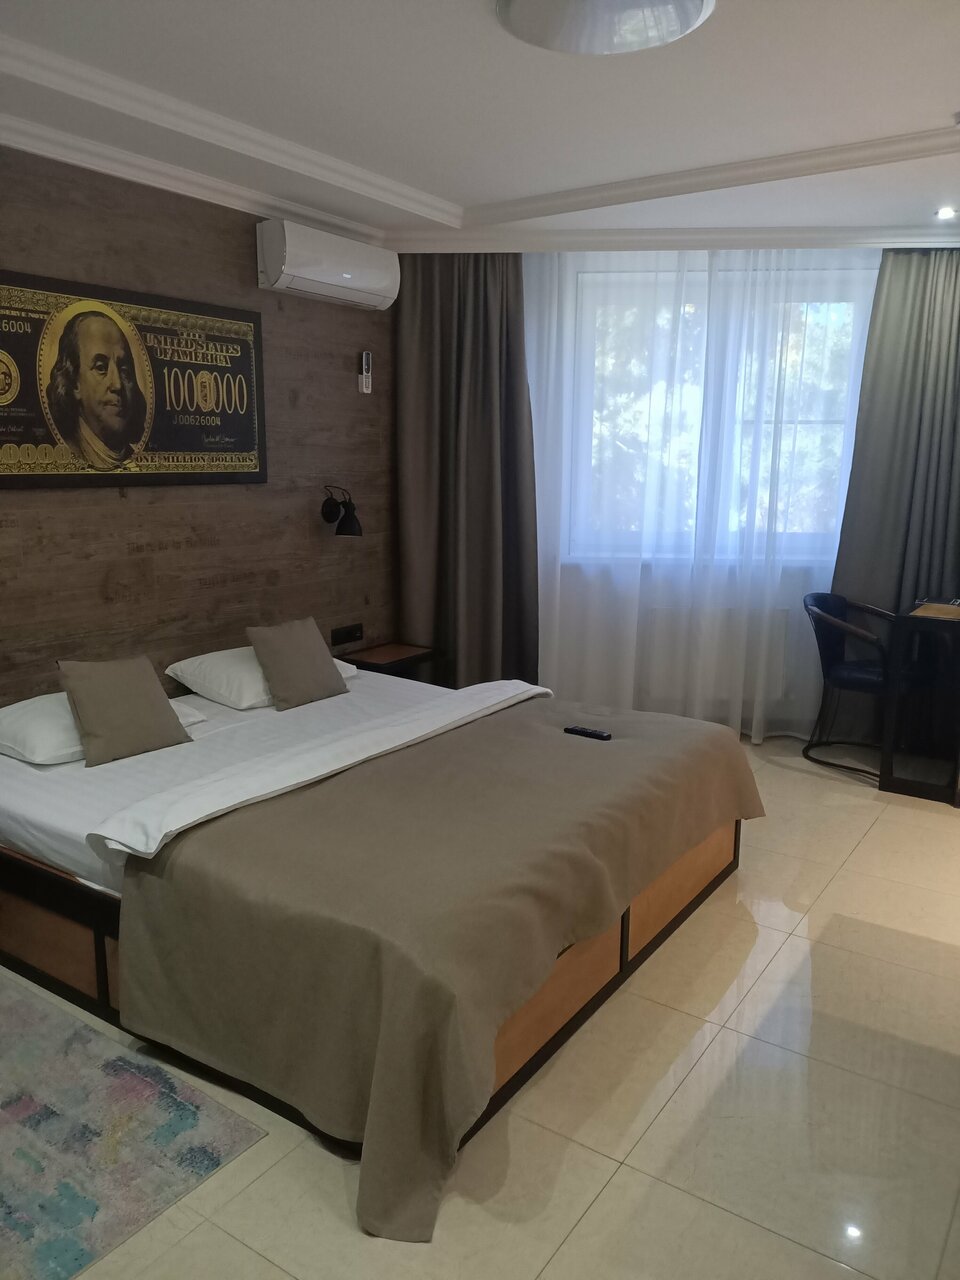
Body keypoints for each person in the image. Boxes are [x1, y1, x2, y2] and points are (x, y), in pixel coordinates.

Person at [45, 311, 147, 470]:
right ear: (74, 383)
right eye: (101, 368)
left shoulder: (134, 458)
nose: (117, 385)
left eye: (124, 370)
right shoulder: (66, 453)